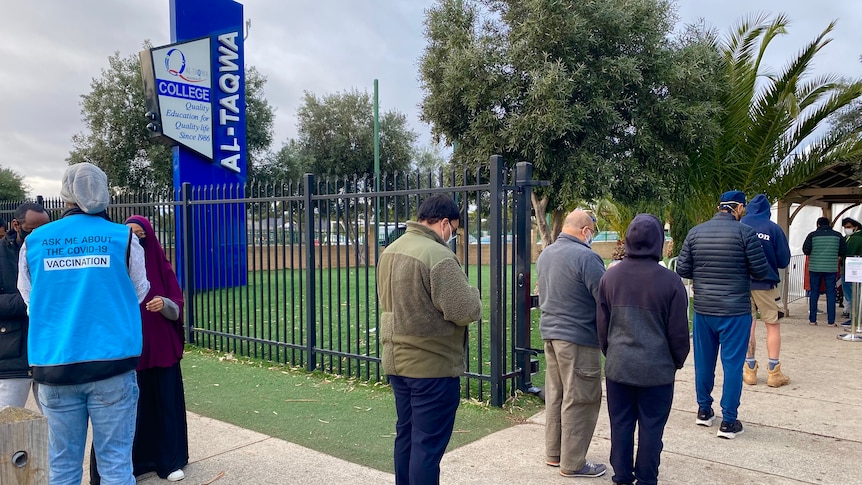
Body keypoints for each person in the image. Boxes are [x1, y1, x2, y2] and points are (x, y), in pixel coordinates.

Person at [18, 162, 150, 485]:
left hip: (55, 368)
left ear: (65, 196)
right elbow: (139, 292)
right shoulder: (124, 239)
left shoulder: (34, 243)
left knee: (61, 468)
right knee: (117, 466)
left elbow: (31, 301)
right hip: (113, 367)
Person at [376, 193, 482, 485]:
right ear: (445, 223)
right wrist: (475, 294)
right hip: (432, 368)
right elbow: (464, 310)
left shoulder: (390, 250)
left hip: (396, 361)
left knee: (407, 437)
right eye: (455, 231)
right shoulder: (439, 255)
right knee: (427, 448)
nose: (454, 237)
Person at [90, 216, 188, 483]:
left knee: (164, 404)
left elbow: (177, 305)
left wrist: (164, 303)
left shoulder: (162, 267)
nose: (138, 240)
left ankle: (167, 461)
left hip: (161, 348)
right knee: (124, 410)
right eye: (131, 235)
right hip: (129, 349)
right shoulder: (117, 262)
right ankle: (125, 466)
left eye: (141, 234)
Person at [597, 214, 690, 485]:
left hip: (619, 367)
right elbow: (678, 333)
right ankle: (647, 477)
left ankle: (623, 475)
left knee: (621, 424)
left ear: (627, 240)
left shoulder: (610, 278)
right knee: (652, 427)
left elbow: (602, 327)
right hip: (657, 371)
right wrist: (676, 361)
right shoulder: (670, 282)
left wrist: (612, 353)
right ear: (659, 241)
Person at [675, 190, 768, 439]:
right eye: (743, 208)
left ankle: (704, 411)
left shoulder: (696, 232)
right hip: (735, 311)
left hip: (704, 310)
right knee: (733, 366)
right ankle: (728, 421)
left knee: (704, 363)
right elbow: (760, 270)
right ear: (737, 207)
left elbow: (682, 267)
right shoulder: (745, 233)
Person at [537, 209, 607, 478]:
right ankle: (574, 462)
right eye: (593, 231)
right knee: (581, 398)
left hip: (551, 335)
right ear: (585, 231)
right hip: (578, 338)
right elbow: (604, 297)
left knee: (556, 395)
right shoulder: (587, 257)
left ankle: (555, 454)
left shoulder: (546, 254)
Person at [0, 203, 50, 408]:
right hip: (11, 354)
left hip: (48, 353)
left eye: (44, 229)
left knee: (54, 426)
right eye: (32, 230)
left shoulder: (51, 252)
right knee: (7, 426)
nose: (39, 235)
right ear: (16, 225)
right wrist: (31, 300)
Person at [740, 194, 791, 387]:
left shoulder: (740, 225)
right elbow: (784, 260)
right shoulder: (773, 229)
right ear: (767, 211)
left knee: (747, 325)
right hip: (766, 284)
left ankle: (749, 371)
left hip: (742, 284)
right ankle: (774, 372)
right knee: (773, 325)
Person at [802, 217, 846, 326]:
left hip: (815, 268)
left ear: (818, 225)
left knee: (814, 292)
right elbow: (844, 250)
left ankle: (812, 320)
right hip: (831, 268)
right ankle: (831, 321)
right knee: (831, 293)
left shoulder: (812, 235)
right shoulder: (837, 235)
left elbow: (806, 250)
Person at [840, 217, 862, 325]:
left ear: (855, 227)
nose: (846, 229)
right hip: (856, 270)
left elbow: (847, 252)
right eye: (845, 227)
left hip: (850, 270)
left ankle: (855, 318)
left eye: (848, 227)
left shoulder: (855, 239)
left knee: (852, 295)